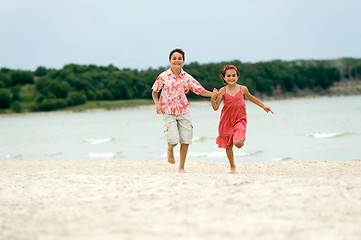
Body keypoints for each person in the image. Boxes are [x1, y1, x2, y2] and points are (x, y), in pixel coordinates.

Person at [151, 48, 215, 173]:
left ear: (183, 61)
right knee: (174, 140)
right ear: (170, 60)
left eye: (179, 58)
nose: (177, 60)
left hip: (183, 110)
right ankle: (170, 149)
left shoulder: (187, 77)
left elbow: (200, 90)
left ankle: (181, 167)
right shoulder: (163, 76)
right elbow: (154, 92)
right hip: (168, 111)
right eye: (174, 58)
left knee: (186, 139)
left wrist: (213, 95)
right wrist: (157, 104)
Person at [211, 65, 274, 173]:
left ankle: (240, 138)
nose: (231, 78)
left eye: (234, 75)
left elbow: (252, 98)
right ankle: (232, 166)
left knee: (238, 143)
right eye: (229, 76)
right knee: (228, 146)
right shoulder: (222, 90)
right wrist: (213, 97)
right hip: (226, 121)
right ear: (224, 78)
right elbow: (216, 107)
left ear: (238, 76)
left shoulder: (243, 89)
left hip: (240, 119)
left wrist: (264, 106)